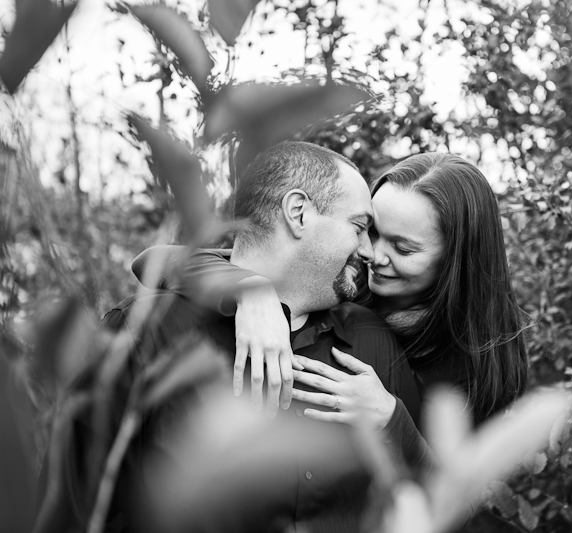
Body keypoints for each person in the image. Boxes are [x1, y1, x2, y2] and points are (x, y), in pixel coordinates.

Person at [35, 142, 422, 533]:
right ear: (298, 213)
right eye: (358, 227)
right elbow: (70, 508)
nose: (370, 251)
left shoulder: (373, 341)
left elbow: (430, 498)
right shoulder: (142, 330)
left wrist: (394, 423)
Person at [135, 152, 529, 427]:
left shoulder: (478, 359)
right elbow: (157, 260)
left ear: (457, 260)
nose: (372, 254)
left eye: (403, 248)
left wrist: (392, 419)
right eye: (369, 230)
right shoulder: (340, 282)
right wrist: (249, 288)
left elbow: (450, 498)